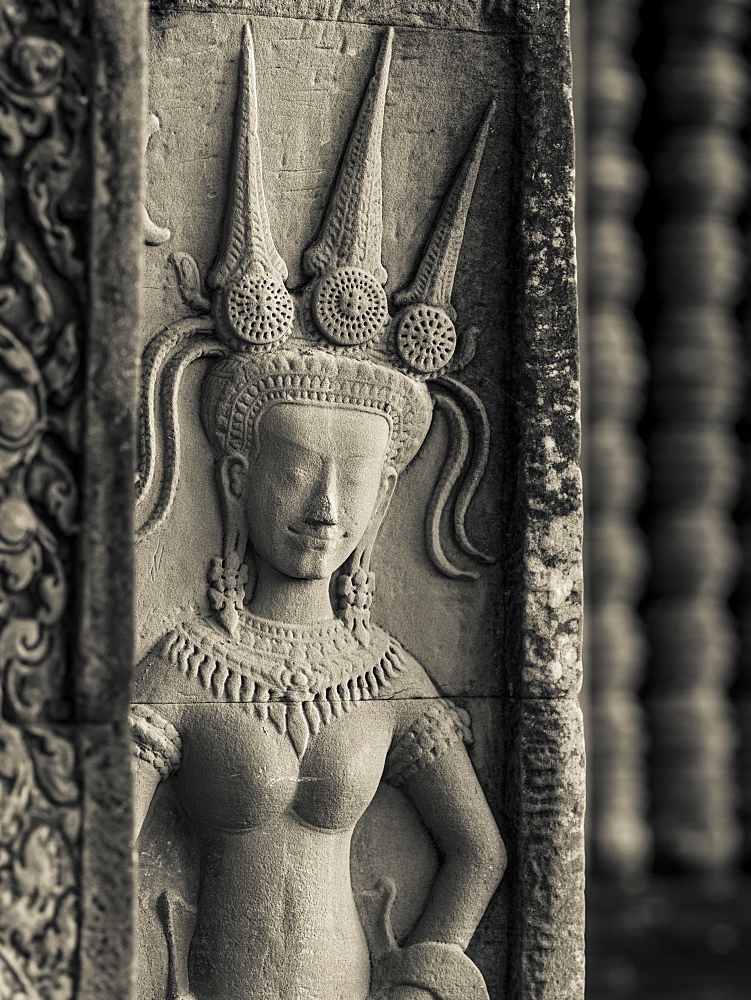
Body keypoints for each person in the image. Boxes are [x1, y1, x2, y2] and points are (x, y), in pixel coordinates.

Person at [131, 24, 505, 1000]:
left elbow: (478, 854)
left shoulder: (387, 671)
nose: (325, 508)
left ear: (387, 498)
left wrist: (427, 970)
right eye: (297, 472)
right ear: (235, 475)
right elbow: (85, 846)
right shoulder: (179, 669)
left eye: (355, 482)